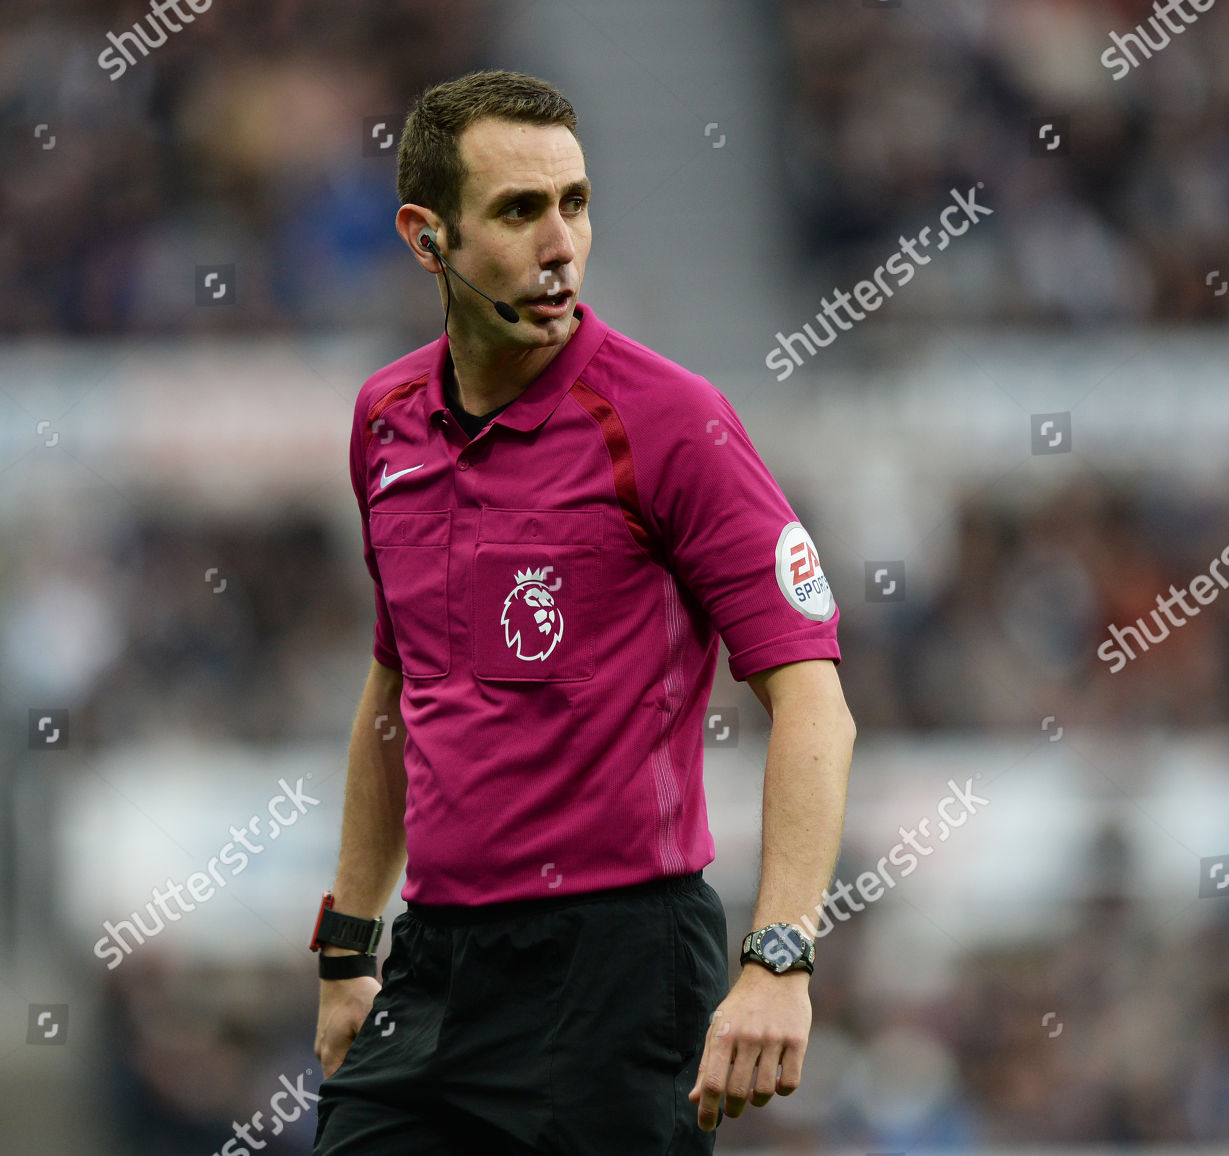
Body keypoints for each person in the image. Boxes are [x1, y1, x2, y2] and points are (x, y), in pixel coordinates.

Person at [310, 69, 855, 1154]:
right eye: (520, 211)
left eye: (577, 202)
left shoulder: (672, 424)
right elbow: (395, 688)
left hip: (619, 970)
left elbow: (815, 707)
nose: (561, 241)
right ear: (429, 237)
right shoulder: (385, 422)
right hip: (436, 965)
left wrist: (780, 956)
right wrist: (347, 948)